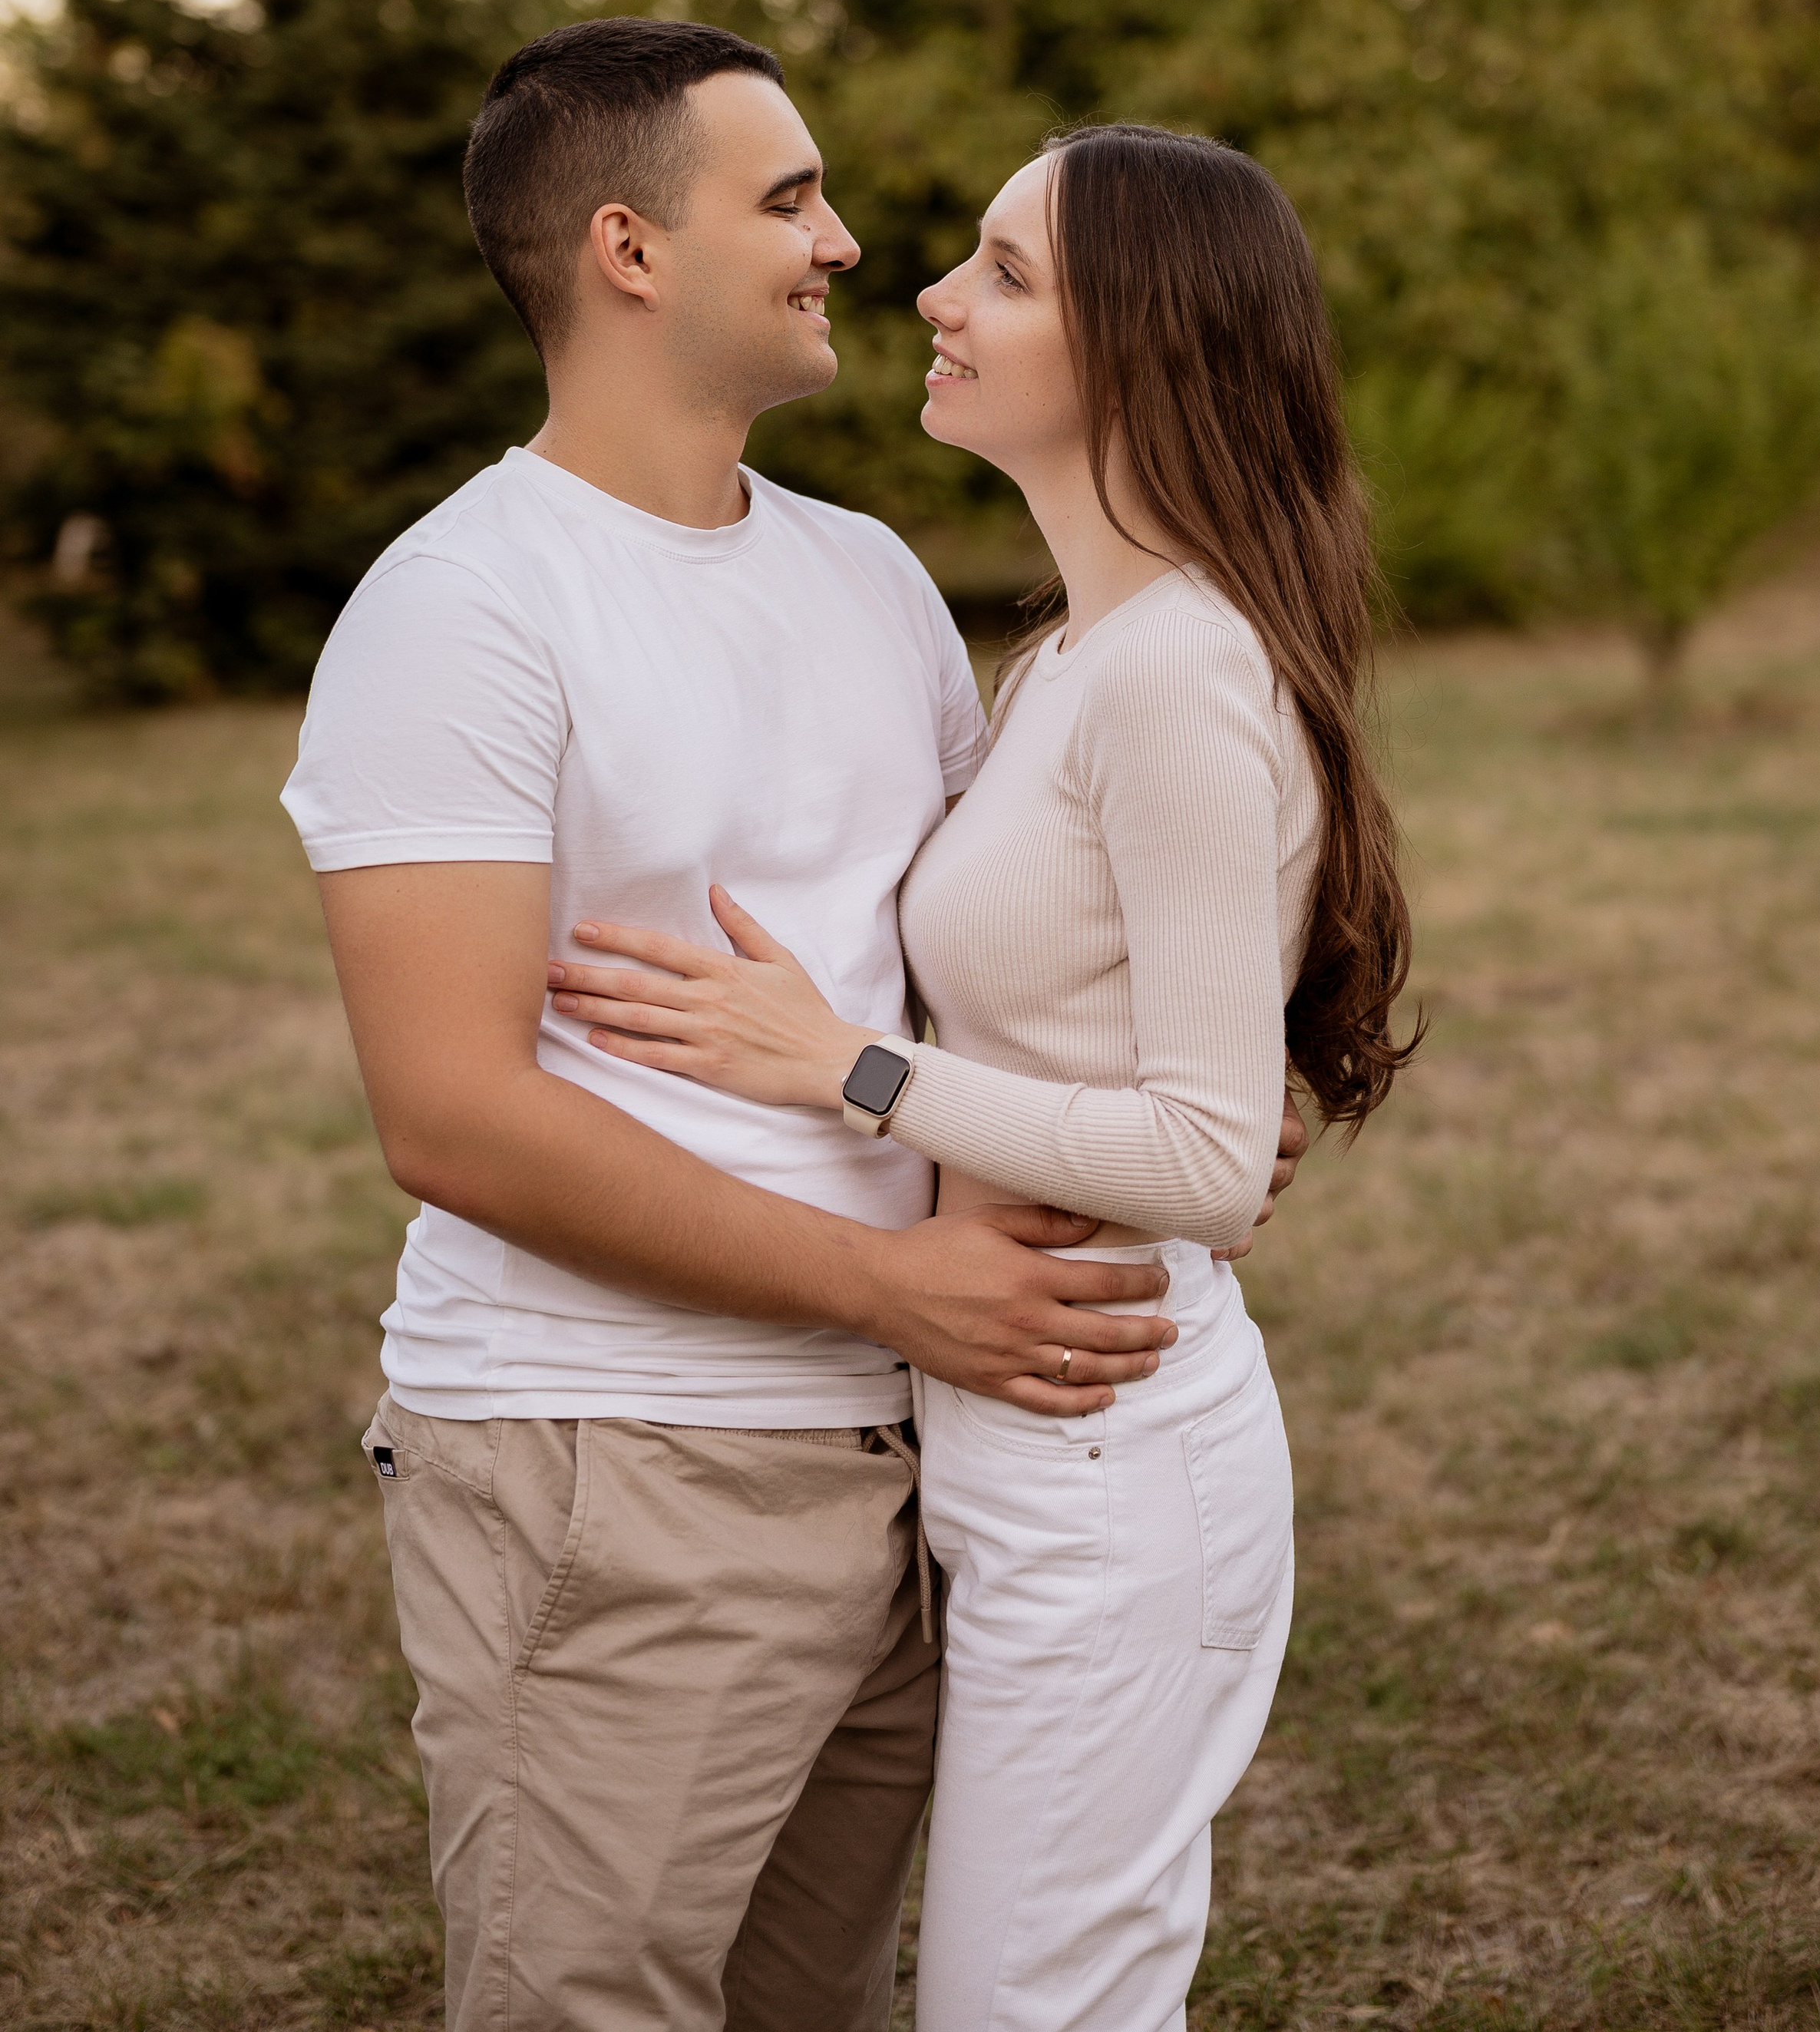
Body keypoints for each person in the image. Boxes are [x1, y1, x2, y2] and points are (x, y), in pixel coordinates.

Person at [281, 21, 1301, 2032]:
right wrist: (892, 1282)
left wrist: (1180, 1110)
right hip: (619, 1469)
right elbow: (454, 1120)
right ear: (627, 247)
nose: (851, 244)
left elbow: (965, 966)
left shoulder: (873, 578)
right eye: (791, 198)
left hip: (916, 1464)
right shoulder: (462, 609)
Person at [544, 121, 1419, 2032]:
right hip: (1011, 1430)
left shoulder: (1179, 667)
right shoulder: (1071, 657)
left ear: (1147, 348)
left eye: (1003, 274)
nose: (928, 294)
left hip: (1111, 1435)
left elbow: (1193, 1154)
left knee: (1031, 2010)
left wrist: (843, 1068)